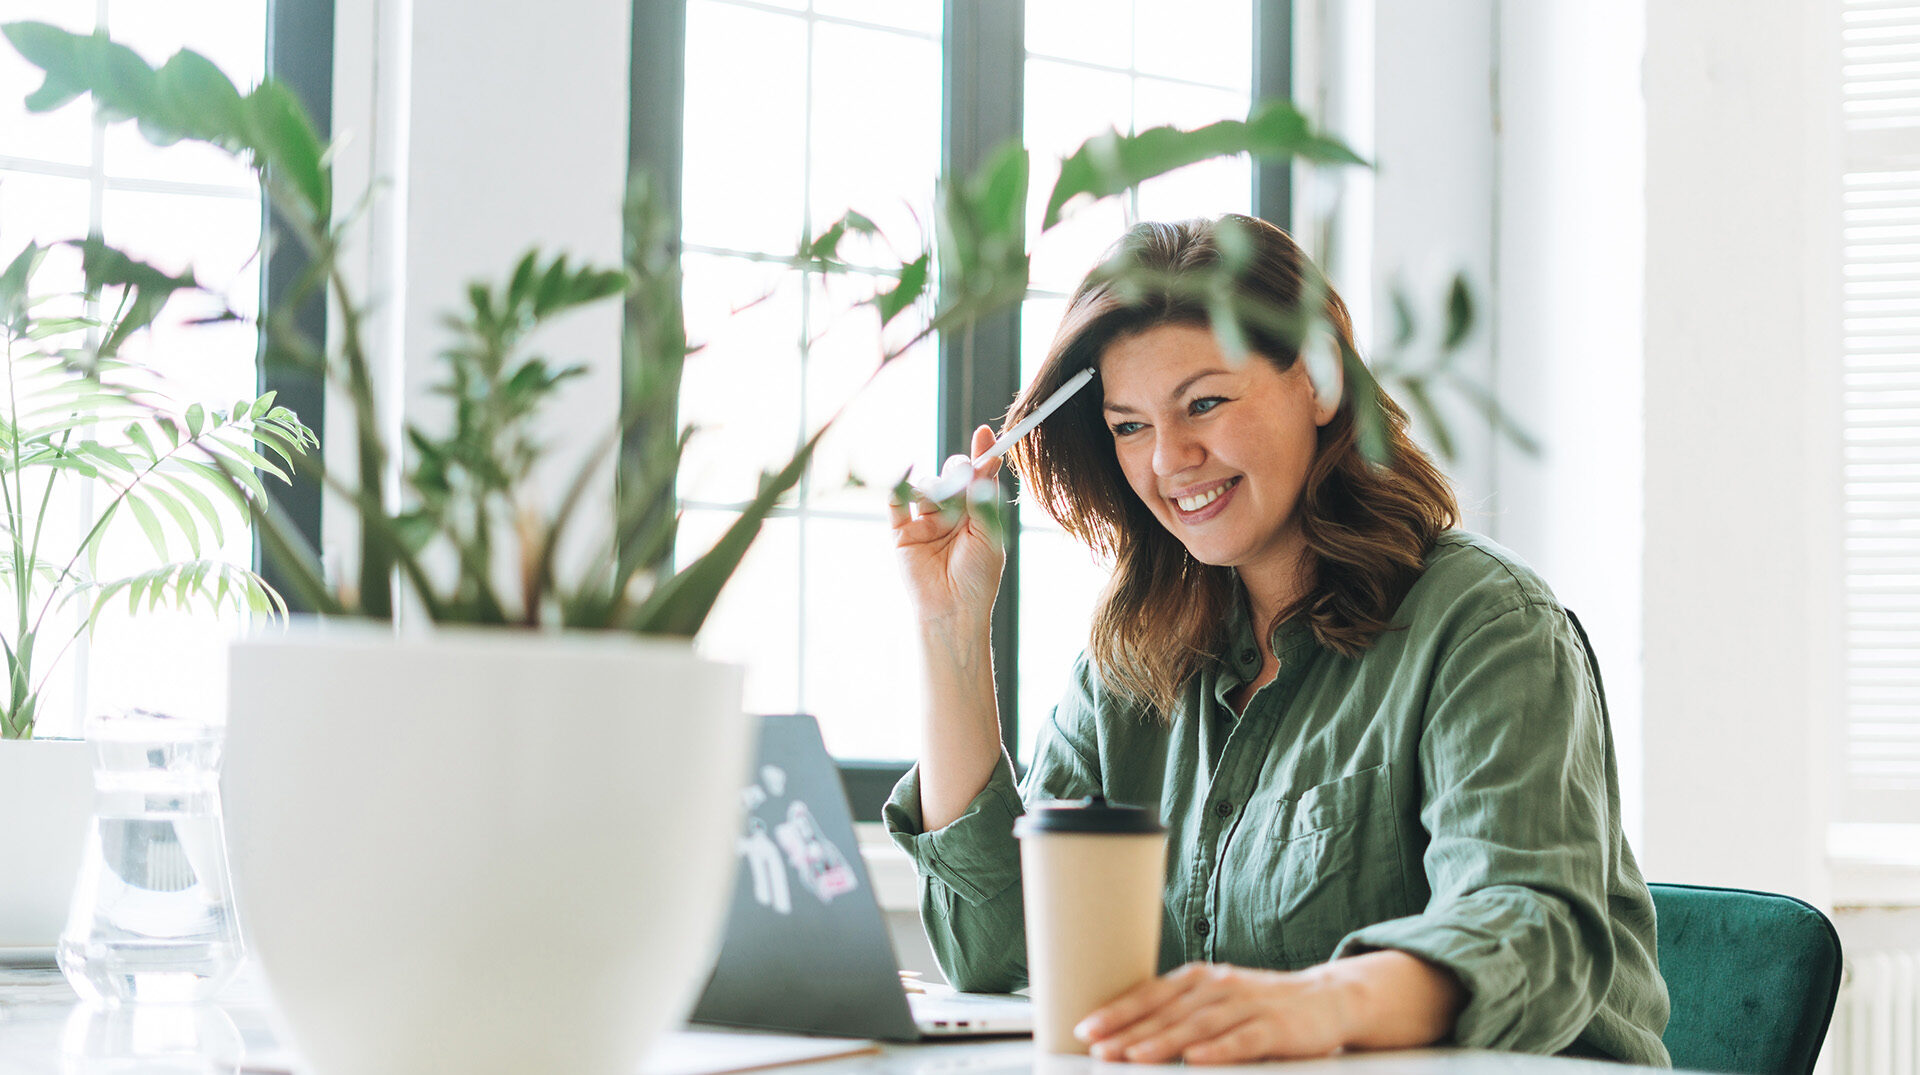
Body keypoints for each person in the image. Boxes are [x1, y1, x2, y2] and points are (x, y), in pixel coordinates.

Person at [883, 215, 1671, 1066]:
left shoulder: (1486, 622)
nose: (1171, 459)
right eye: (1129, 426)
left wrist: (1324, 1003)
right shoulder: (1131, 659)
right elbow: (997, 949)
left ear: (1321, 381)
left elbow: (1531, 930)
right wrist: (950, 626)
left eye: (1206, 403)